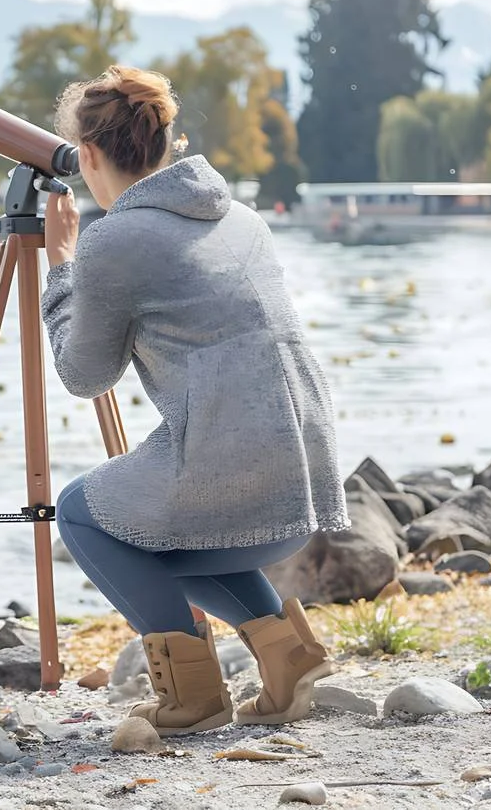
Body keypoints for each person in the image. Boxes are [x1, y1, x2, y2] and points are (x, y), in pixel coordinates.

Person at [41, 66, 350, 735]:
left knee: (82, 514)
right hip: (306, 472)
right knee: (158, 536)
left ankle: (195, 696)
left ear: (87, 156)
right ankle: (288, 658)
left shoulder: (112, 241)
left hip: (234, 470)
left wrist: (61, 266)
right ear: (166, 144)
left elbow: (83, 373)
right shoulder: (239, 218)